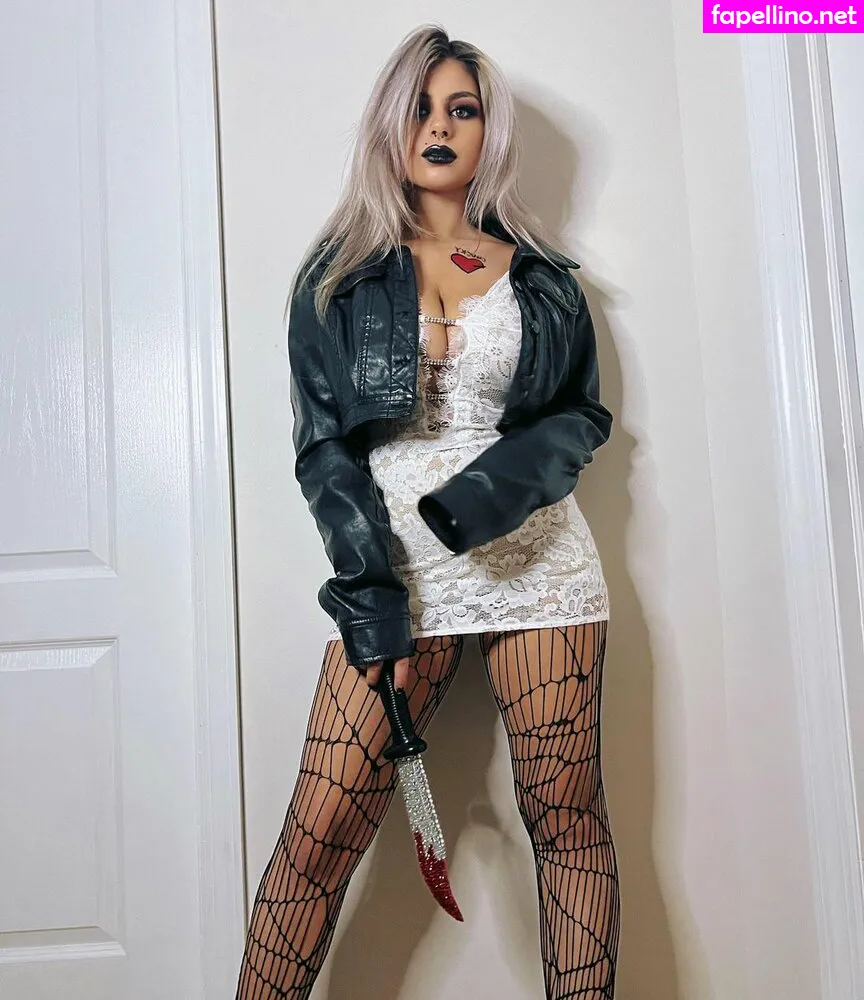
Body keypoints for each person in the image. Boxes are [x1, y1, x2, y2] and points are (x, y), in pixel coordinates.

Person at [234, 22, 619, 1000]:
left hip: (538, 558)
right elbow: (325, 451)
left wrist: (486, 497)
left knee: (567, 820)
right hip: (396, 564)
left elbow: (578, 417)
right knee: (319, 835)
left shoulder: (542, 278)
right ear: (389, 126)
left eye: (463, 109)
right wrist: (372, 601)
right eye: (420, 108)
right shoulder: (339, 277)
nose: (440, 127)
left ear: (491, 131)